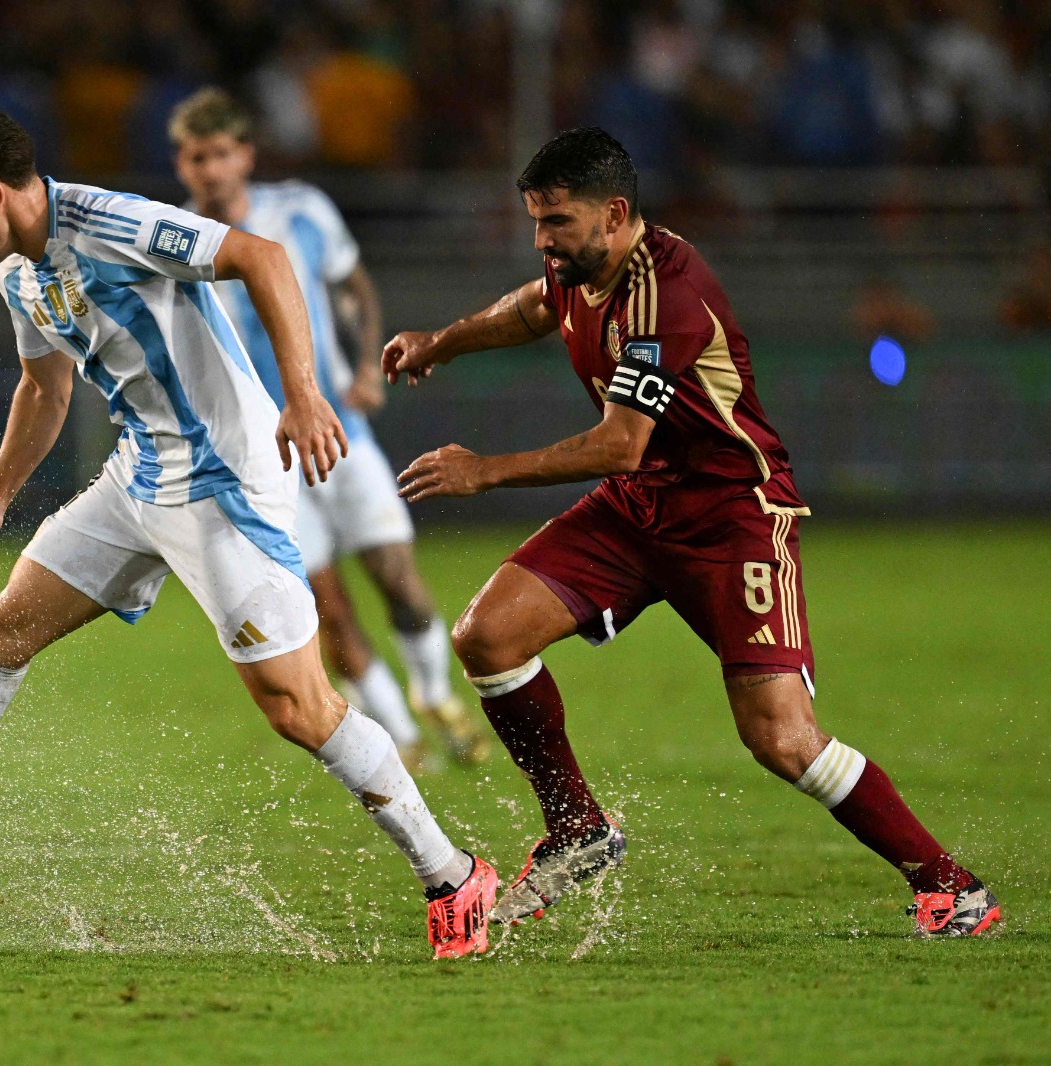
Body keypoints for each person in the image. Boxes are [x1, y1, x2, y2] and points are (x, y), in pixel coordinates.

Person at [0, 107, 498, 958]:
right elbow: (44, 390)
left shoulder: (108, 223)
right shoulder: (18, 275)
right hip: (140, 475)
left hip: (226, 481)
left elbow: (262, 257)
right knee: (5, 625)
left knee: (299, 707)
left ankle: (453, 875)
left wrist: (302, 393)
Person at [383, 126, 999, 938]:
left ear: (614, 212)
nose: (543, 241)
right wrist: (444, 342)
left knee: (781, 738)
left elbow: (618, 442)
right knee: (488, 636)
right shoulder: (579, 264)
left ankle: (953, 889)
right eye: (535, 222)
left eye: (556, 222)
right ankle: (577, 829)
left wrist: (483, 470)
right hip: (639, 507)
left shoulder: (664, 293)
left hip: (731, 516)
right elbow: (534, 306)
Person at [168, 87, 488, 769]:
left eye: (222, 153)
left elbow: (353, 284)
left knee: (398, 578)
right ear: (183, 165)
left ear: (245, 155)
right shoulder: (177, 245)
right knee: (329, 612)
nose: (212, 170)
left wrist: (369, 368)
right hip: (261, 458)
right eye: (198, 158)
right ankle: (401, 737)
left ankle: (435, 694)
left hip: (343, 433)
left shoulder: (303, 211)